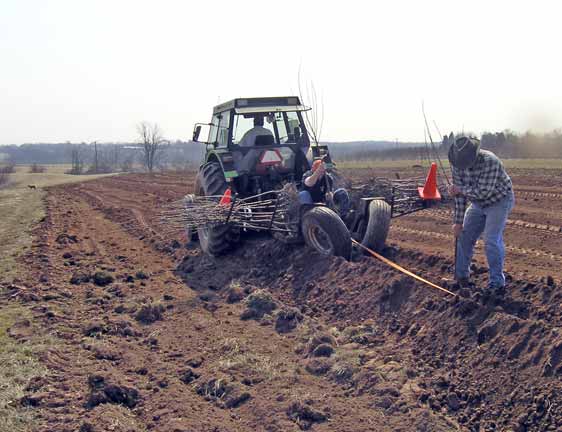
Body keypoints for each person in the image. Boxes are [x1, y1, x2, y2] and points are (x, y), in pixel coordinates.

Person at [447, 136, 514, 294]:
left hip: (499, 200)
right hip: (477, 204)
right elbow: (459, 196)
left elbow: (484, 192)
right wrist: (458, 222)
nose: (462, 167)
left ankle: (497, 283)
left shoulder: (490, 161)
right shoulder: (456, 164)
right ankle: (461, 277)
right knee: (463, 235)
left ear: (474, 156)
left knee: (491, 239)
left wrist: (460, 190)